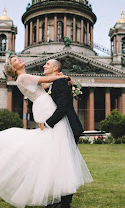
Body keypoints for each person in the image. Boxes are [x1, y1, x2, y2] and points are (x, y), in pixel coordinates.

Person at [0, 55, 93, 208]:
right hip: (45, 108)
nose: (19, 60)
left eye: (17, 58)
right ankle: (62, 199)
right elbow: (45, 81)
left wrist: (61, 81)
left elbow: (45, 86)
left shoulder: (26, 78)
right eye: (15, 61)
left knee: (53, 150)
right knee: (56, 149)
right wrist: (62, 76)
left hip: (44, 107)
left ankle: (61, 198)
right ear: (13, 68)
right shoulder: (23, 77)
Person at [40, 59, 83, 208]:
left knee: (67, 165)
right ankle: (61, 200)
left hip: (69, 127)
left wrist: (48, 123)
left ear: (56, 68)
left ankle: (65, 203)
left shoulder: (60, 83)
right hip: (64, 128)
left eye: (48, 64)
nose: (44, 66)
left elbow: (63, 106)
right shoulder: (58, 82)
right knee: (62, 165)